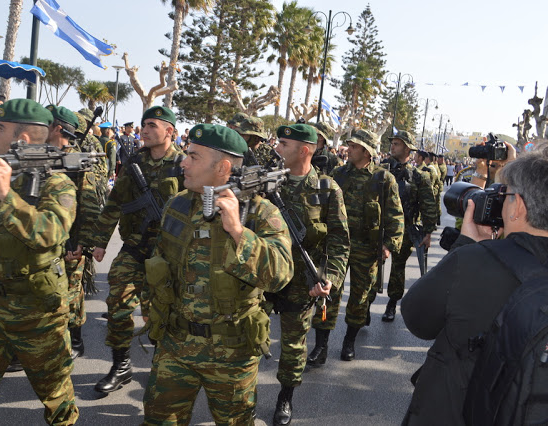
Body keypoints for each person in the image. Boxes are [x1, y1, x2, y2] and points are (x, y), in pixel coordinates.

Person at [142, 123, 294, 425]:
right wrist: (150, 306)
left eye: (194, 157)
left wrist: (238, 232)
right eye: (186, 154)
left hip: (232, 353)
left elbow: (280, 274)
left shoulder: (261, 213)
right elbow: (160, 258)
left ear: (223, 167)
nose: (183, 162)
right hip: (175, 343)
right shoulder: (178, 204)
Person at [400, 145, 547, 426]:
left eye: (504, 195)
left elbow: (417, 318)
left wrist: (466, 245)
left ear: (517, 207)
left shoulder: (472, 262)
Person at [0, 99, 79, 424]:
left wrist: (6, 197)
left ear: (21, 140)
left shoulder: (58, 183)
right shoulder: (0, 175)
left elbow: (51, 233)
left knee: (58, 402)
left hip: (38, 312)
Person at [85, 106, 185, 394]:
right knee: (117, 305)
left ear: (170, 131)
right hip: (134, 246)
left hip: (167, 254)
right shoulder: (134, 162)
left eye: (153, 125)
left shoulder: (182, 164)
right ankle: (121, 365)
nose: (145, 128)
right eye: (144, 124)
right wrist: (101, 241)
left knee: (161, 312)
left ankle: (162, 369)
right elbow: (115, 202)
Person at [269, 123, 349, 426]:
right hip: (262, 277)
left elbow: (340, 241)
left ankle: (285, 397)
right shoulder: (268, 183)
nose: (278, 148)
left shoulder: (327, 189)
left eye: (284, 144)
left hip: (301, 281)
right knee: (247, 337)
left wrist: (330, 276)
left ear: (304, 150)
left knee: (292, 346)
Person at [308, 129, 403, 363]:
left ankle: (349, 342)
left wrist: (389, 244)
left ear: (366, 151)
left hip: (367, 247)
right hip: (336, 245)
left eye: (354, 146)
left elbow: (395, 215)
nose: (348, 149)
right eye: (349, 145)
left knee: (360, 298)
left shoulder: (383, 179)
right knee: (327, 294)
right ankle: (321, 346)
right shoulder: (339, 174)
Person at [46, 104, 101, 359]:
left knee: (71, 290)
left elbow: (89, 205)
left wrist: (82, 244)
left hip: (71, 238)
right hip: (49, 238)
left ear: (56, 127)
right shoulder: (39, 154)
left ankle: (74, 340)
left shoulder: (76, 160)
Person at [380, 130, 436, 322]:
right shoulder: (381, 170)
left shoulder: (419, 176)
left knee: (397, 267)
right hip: (379, 227)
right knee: (370, 267)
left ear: (407, 149)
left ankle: (392, 303)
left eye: (396, 144)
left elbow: (428, 205)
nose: (392, 147)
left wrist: (428, 232)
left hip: (405, 229)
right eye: (392, 143)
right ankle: (364, 305)